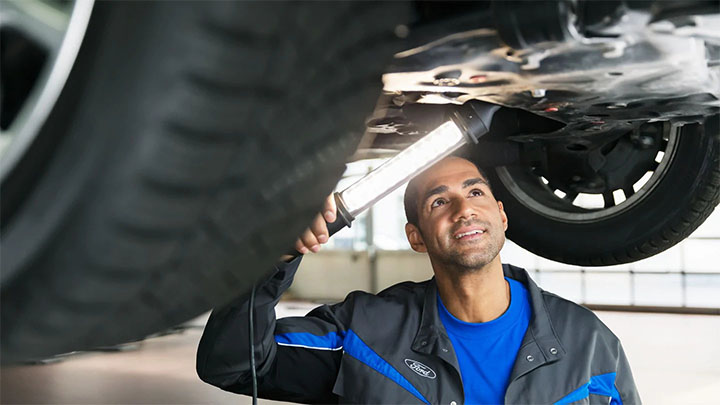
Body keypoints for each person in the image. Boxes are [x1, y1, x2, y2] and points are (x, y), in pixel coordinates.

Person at [197, 156, 641, 404]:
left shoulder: (591, 345)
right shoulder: (365, 333)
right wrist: (273, 255)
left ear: (501, 216)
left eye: (475, 192)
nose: (463, 210)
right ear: (416, 237)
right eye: (438, 202)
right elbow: (235, 364)